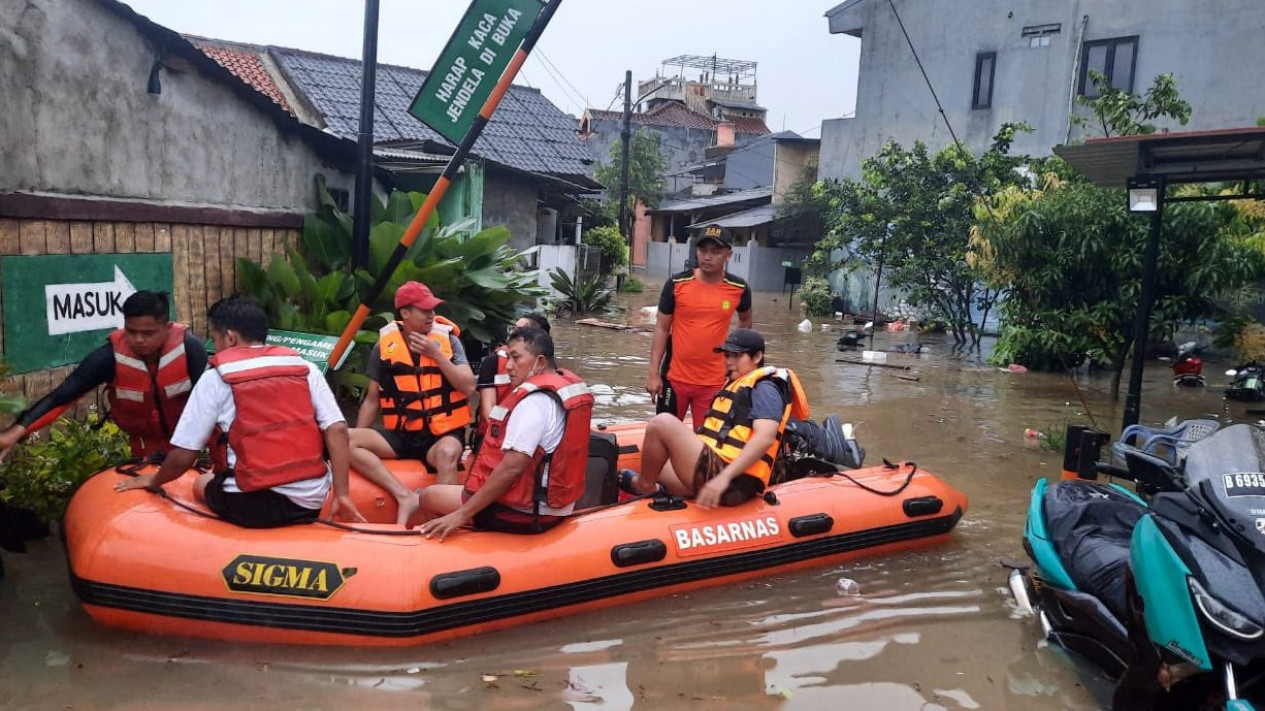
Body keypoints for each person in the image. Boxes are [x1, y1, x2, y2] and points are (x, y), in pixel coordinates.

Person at [114, 296, 362, 528]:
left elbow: (184, 455)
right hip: (309, 502)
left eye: (215, 338)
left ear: (230, 337)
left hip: (250, 507)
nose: (216, 346)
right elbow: (338, 429)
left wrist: (155, 480)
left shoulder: (216, 377)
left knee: (201, 483)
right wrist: (342, 494)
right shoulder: (305, 367)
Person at [412, 327, 593, 540]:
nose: (508, 366)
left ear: (540, 362)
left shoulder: (533, 404)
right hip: (555, 505)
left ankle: (432, 551)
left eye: (516, 358)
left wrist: (461, 515)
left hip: (525, 513)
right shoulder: (561, 391)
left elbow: (512, 468)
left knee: (428, 496)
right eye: (507, 357)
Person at [0, 290, 207, 463]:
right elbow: (60, 397)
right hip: (145, 451)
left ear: (167, 327)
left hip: (191, 447)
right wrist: (15, 432)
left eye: (148, 333)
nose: (138, 340)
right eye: (131, 331)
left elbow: (214, 403)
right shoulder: (108, 357)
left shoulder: (190, 349)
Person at [623, 329, 808, 508]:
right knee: (656, 461)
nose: (729, 361)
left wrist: (724, 477)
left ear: (757, 357)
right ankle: (662, 491)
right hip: (719, 469)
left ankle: (644, 486)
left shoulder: (766, 388)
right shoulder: (737, 384)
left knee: (661, 422)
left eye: (736, 356)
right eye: (727, 356)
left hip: (735, 482)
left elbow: (765, 437)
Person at [349, 281, 476, 525]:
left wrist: (436, 355)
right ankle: (403, 494)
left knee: (448, 453)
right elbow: (372, 399)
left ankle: (442, 522)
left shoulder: (449, 342)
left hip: (442, 434)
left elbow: (469, 386)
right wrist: (361, 433)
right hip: (403, 434)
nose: (431, 315)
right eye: (424, 310)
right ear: (405, 313)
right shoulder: (384, 348)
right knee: (344, 438)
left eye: (432, 309)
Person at [647, 224, 753, 431]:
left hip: (714, 382)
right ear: (696, 251)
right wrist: (653, 373)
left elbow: (746, 322)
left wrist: (736, 363)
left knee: (707, 446)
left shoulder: (738, 289)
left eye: (715, 251)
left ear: (728, 255)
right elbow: (661, 329)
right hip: (674, 379)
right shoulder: (677, 284)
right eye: (703, 250)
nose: (707, 257)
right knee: (663, 436)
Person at [473, 312, 550, 451]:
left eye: (519, 331)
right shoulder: (493, 362)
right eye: (513, 329)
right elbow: (487, 410)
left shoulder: (547, 366)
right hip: (493, 435)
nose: (512, 334)